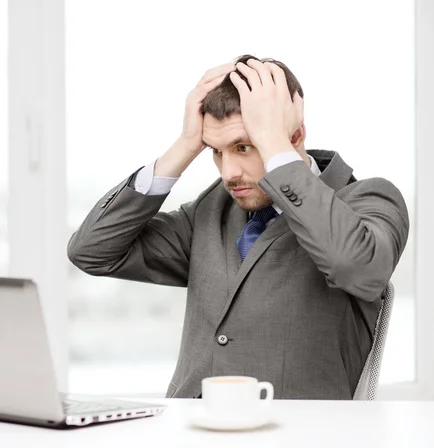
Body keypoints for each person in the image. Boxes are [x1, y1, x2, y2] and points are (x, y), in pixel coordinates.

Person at [67, 54, 409, 400]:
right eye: (216, 151)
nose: (228, 172)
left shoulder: (369, 199)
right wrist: (185, 146)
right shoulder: (212, 209)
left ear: (295, 136)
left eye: (244, 146)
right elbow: (92, 251)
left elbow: (357, 267)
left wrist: (275, 146)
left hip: (299, 434)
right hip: (190, 430)